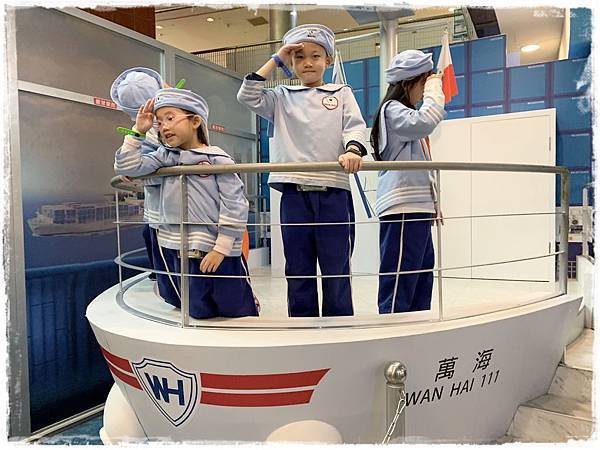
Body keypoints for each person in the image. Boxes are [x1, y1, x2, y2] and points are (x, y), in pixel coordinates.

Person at [237, 24, 368, 317]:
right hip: (294, 194)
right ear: (291, 62)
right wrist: (277, 59)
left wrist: (353, 150)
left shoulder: (341, 92)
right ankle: (303, 325)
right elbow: (247, 96)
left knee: (337, 267)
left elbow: (355, 126)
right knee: (298, 268)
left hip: (333, 191)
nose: (308, 63)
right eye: (299, 57)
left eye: (315, 56)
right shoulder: (281, 96)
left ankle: (339, 326)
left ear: (328, 60)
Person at [114, 88, 258, 319]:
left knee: (234, 306)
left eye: (170, 118)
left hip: (214, 248)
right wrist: (138, 132)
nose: (164, 127)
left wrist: (221, 248)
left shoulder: (217, 159)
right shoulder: (163, 157)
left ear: (195, 121)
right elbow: (127, 167)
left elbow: (235, 204)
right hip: (176, 246)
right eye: (160, 122)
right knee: (196, 310)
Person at [370, 49, 446, 314]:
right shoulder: (392, 110)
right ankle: (392, 333)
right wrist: (436, 89)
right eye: (424, 83)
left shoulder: (404, 114)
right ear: (407, 83)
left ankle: (416, 330)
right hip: (403, 209)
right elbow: (427, 120)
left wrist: (433, 204)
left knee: (421, 281)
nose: (425, 92)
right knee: (400, 283)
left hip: (416, 208)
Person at [110, 67, 164, 281]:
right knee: (153, 237)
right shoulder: (181, 122)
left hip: (163, 209)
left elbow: (127, 165)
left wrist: (135, 171)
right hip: (163, 208)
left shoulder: (147, 132)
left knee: (156, 239)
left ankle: (163, 278)